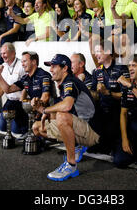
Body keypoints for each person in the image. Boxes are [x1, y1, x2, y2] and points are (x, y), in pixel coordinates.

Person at [31, 54, 102, 182]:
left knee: (62, 116)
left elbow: (67, 106)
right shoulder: (63, 84)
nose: (50, 70)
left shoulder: (70, 81)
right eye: (50, 66)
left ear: (65, 68)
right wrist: (41, 107)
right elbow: (57, 108)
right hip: (81, 127)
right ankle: (76, 147)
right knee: (36, 128)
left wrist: (45, 110)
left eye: (54, 66)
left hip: (93, 131)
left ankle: (71, 165)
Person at [89, 42, 130, 154]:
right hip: (101, 110)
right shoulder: (96, 71)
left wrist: (107, 92)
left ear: (107, 52)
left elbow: (127, 95)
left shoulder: (122, 69)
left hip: (118, 110)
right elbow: (95, 95)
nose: (96, 54)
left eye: (98, 51)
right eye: (95, 51)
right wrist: (85, 91)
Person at [0, 43, 28, 135]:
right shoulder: (3, 66)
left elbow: (26, 86)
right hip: (10, 101)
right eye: (1, 54)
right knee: (2, 127)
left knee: (16, 130)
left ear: (13, 53)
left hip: (20, 101)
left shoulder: (22, 65)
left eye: (5, 53)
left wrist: (22, 102)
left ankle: (24, 122)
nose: (3, 56)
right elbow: (2, 87)